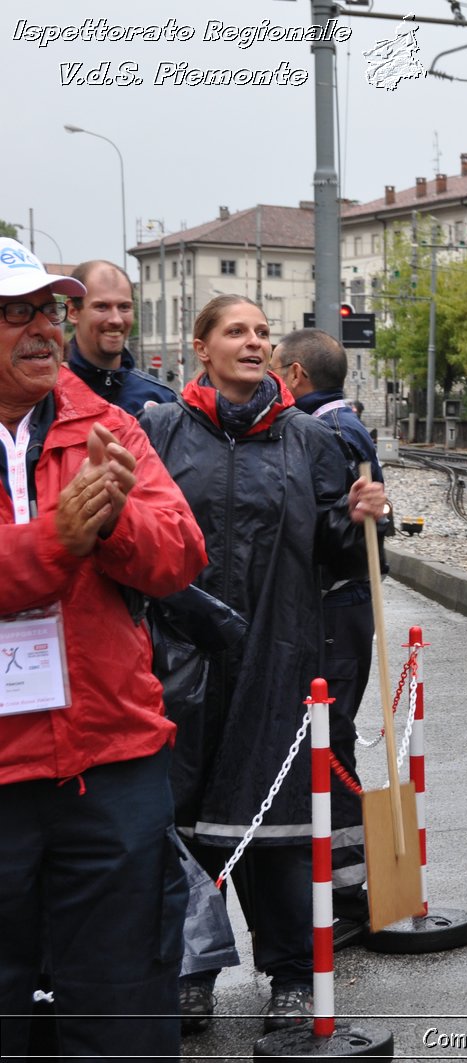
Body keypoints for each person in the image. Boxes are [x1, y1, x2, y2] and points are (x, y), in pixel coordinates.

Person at [139, 295, 387, 1034]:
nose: (251, 342)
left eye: (259, 332)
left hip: (277, 656)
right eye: (234, 331)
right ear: (201, 348)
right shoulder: (162, 430)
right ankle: (191, 970)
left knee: (273, 823)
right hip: (180, 661)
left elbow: (336, 550)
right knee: (180, 825)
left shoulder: (308, 439)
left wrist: (362, 517)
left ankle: (288, 973)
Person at [0, 238, 207, 1059]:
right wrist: (54, 542)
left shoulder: (106, 422)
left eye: (49, 311)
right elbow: (49, 553)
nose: (44, 330)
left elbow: (182, 554)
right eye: (16, 315)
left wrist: (112, 518)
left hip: (109, 764)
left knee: (123, 1007)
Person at [271, 328, 388, 938]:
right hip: (344, 606)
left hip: (337, 608)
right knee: (327, 743)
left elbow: (340, 534)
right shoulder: (346, 424)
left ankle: (348, 894)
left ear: (294, 375)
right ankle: (344, 886)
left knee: (330, 745)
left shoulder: (326, 432)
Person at [64, 259, 177, 414]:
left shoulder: (160, 399)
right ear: (73, 312)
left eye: (124, 307)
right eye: (102, 307)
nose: (116, 320)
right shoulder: (45, 394)